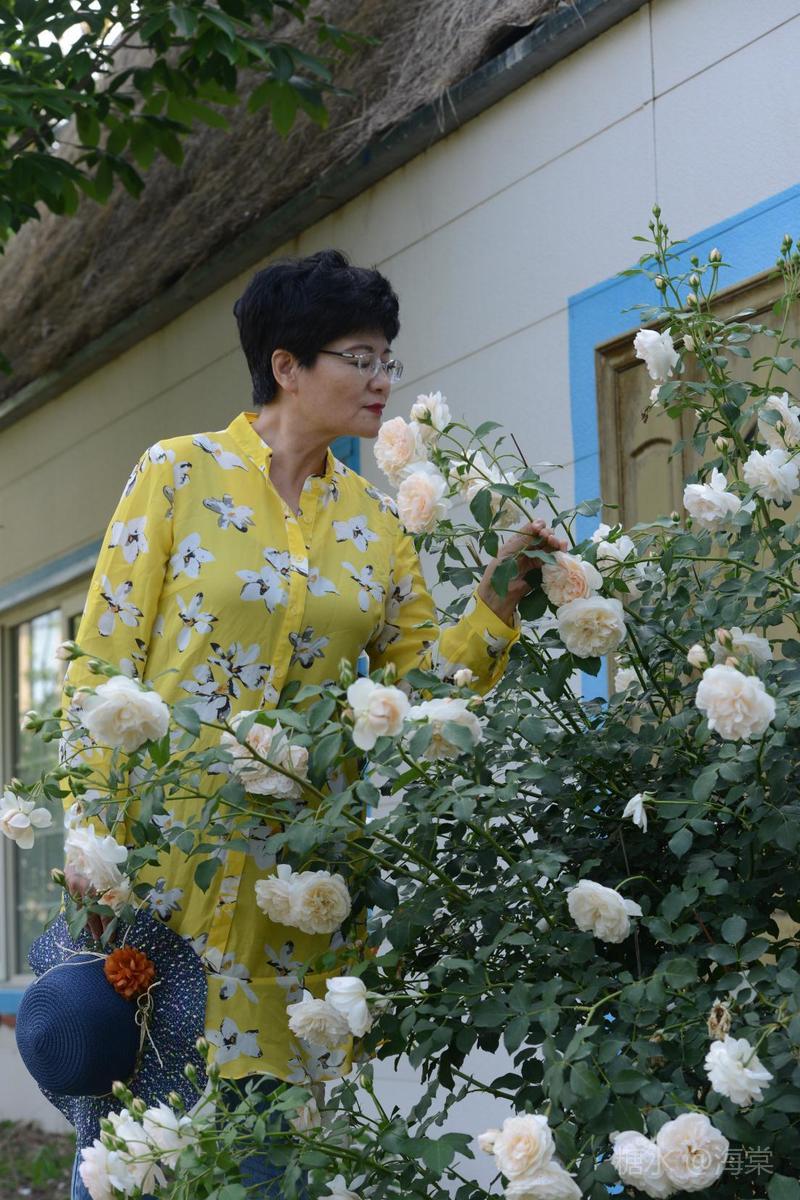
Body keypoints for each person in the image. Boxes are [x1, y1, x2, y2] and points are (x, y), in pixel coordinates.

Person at [61, 249, 566, 1198]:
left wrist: (499, 598)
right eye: (360, 358)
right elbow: (100, 662)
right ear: (286, 365)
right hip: (162, 878)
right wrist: (92, 845)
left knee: (268, 1159)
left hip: (296, 896)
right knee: (137, 1154)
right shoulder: (176, 473)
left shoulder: (377, 524)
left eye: (388, 360)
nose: (382, 380)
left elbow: (422, 693)